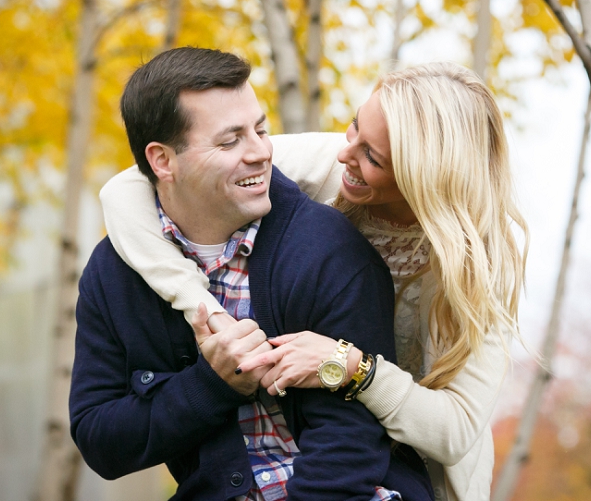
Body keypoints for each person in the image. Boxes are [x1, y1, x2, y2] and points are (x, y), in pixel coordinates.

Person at [100, 61, 528, 501]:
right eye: (354, 129)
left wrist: (354, 369)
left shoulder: (485, 260)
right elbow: (125, 191)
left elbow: (454, 432)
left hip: (415, 477)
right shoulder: (328, 164)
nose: (346, 155)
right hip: (312, 446)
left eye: (373, 157)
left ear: (427, 176)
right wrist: (203, 307)